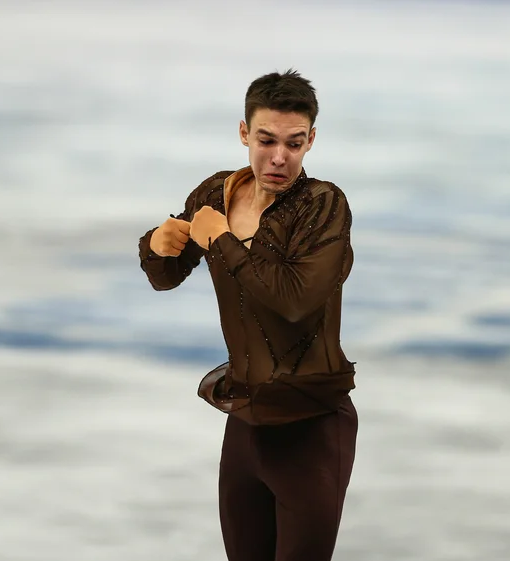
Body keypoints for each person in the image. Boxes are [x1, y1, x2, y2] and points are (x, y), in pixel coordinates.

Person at [138, 69, 358, 561]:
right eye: (266, 140)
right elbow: (165, 275)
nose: (279, 157)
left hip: (313, 427)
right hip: (244, 422)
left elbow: (295, 300)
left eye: (294, 144)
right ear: (244, 132)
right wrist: (156, 244)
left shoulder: (323, 206)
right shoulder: (217, 194)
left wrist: (221, 240)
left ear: (311, 141)